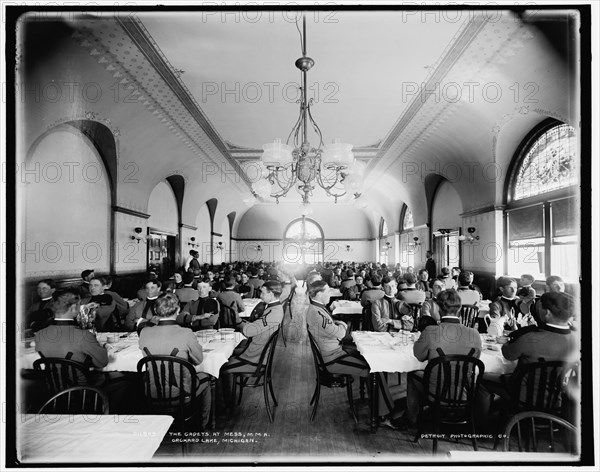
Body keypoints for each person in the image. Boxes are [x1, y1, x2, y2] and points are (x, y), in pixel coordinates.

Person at [305, 280, 398, 426]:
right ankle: (383, 415)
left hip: (334, 351)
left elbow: (334, 328)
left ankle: (380, 405)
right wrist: (342, 324)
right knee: (374, 368)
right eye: (328, 291)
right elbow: (341, 333)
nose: (330, 293)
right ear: (319, 293)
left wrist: (338, 325)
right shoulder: (316, 313)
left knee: (370, 360)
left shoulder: (316, 308)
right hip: (332, 358)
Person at [476, 292, 579, 422]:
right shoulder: (577, 340)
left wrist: (510, 339)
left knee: (482, 380)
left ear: (546, 313)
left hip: (524, 395)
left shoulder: (530, 337)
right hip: (556, 398)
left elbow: (507, 354)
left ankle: (480, 426)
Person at [396, 289, 482, 429]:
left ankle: (411, 418)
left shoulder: (431, 331)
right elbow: (475, 360)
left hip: (436, 393)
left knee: (412, 375)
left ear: (439, 308)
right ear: (459, 308)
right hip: (465, 394)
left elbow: (419, 356)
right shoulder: (474, 334)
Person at [138, 293, 211, 429]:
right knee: (207, 379)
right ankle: (203, 425)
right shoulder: (186, 333)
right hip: (181, 392)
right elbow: (199, 359)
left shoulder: (144, 332)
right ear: (178, 311)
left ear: (155, 312)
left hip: (152, 392)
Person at [220, 281, 284, 403]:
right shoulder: (274, 308)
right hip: (257, 352)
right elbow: (256, 326)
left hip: (255, 359)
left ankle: (226, 406)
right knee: (230, 353)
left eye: (263, 293)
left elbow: (249, 331)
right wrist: (249, 324)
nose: (260, 296)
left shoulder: (273, 312)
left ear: (271, 293)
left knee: (220, 367)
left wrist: (237, 318)